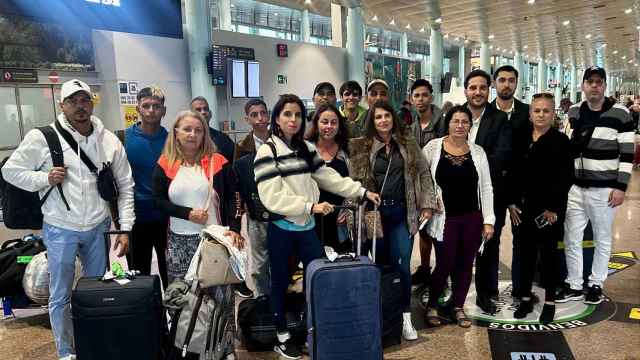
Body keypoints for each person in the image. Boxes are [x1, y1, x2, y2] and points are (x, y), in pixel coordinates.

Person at [2, 79, 135, 360]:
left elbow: (125, 187)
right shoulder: (43, 137)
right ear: (62, 105)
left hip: (98, 227)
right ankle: (66, 351)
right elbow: (11, 170)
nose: (80, 106)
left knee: (96, 290)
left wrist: (125, 228)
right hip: (60, 228)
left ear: (92, 103)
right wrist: (43, 178)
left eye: (84, 100)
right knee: (60, 295)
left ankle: (93, 342)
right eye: (73, 101)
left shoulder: (108, 140)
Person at [254, 94, 380, 359]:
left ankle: (315, 328)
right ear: (277, 118)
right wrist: (309, 206)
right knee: (279, 282)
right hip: (282, 229)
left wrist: (361, 191)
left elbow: (328, 177)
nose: (293, 120)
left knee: (319, 280)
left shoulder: (304, 148)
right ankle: (281, 335)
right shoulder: (268, 151)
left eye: (298, 115)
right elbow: (272, 197)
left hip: (306, 229)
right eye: (287, 114)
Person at [349, 100, 435, 341]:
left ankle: (406, 316)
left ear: (393, 118)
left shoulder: (407, 143)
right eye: (378, 117)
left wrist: (427, 204)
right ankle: (382, 313)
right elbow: (353, 183)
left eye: (387, 115)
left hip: (401, 214)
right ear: (372, 121)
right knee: (378, 264)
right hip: (373, 217)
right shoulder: (360, 147)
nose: (383, 120)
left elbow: (424, 173)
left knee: (402, 264)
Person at [556, 66, 635, 306]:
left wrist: (620, 187)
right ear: (583, 85)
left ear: (604, 86)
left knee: (602, 238)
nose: (594, 86)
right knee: (572, 238)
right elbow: (567, 146)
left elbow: (627, 155)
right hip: (576, 188)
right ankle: (575, 283)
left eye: (599, 82)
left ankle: (596, 284)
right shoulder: (574, 111)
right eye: (590, 81)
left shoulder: (620, 114)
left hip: (604, 190)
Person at [422, 105, 495, 328]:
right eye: (456, 121)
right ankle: (433, 304)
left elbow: (486, 187)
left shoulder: (478, 152)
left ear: (470, 126)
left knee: (465, 265)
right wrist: (430, 199)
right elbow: (423, 180)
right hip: (444, 219)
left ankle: (458, 307)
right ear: (449, 123)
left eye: (465, 121)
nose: (460, 125)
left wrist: (488, 220)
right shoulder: (433, 148)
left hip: (472, 217)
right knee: (444, 263)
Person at [152, 110, 243, 283]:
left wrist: (235, 228)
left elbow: (235, 196)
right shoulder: (165, 163)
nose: (192, 134)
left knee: (218, 295)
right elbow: (158, 201)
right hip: (178, 242)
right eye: (187, 129)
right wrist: (187, 213)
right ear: (176, 132)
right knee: (183, 298)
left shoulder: (218, 162)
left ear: (204, 134)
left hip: (214, 239)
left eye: (198, 130)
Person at [508, 93, 573, 323]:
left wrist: (553, 209)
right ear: (530, 113)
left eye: (546, 110)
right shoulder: (521, 137)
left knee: (548, 257)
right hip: (522, 210)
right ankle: (525, 298)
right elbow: (512, 172)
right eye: (537, 110)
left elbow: (565, 178)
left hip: (549, 212)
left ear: (553, 113)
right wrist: (512, 202)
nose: (541, 115)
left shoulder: (561, 141)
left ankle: (550, 301)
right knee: (524, 255)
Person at [463, 69, 512, 315]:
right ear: (466, 90)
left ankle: (486, 294)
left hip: (491, 194)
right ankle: (456, 293)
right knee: (458, 244)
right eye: (473, 87)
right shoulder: (455, 116)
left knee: (489, 247)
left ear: (488, 90)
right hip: (459, 196)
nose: (478, 92)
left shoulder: (500, 119)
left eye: (482, 87)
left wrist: (467, 167)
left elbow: (501, 157)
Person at [490, 64, 531, 301]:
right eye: (502, 80)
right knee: (491, 239)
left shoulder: (527, 112)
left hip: (520, 189)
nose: (506, 84)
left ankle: (520, 289)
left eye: (511, 80)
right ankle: (490, 289)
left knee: (521, 242)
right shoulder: (486, 113)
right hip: (493, 189)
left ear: (516, 83)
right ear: (495, 83)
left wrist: (516, 196)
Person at [122, 85, 169, 287]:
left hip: (167, 218)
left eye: (156, 106)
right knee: (139, 275)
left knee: (172, 272)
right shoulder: (123, 139)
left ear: (163, 111)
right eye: (146, 106)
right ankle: (145, 316)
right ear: (138, 109)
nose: (151, 110)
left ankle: (176, 316)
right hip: (136, 218)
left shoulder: (172, 140)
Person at [408, 79, 445, 288]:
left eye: (424, 95)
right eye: (416, 96)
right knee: (423, 229)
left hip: (441, 186)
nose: (420, 99)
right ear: (412, 99)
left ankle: (442, 271)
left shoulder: (443, 121)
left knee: (439, 231)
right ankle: (424, 268)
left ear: (430, 96)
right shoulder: (412, 125)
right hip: (419, 187)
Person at [233, 98, 271, 299]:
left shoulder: (281, 141)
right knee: (259, 263)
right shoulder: (242, 147)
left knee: (283, 259)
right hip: (256, 213)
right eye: (254, 115)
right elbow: (237, 182)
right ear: (247, 118)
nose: (260, 119)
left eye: (263, 113)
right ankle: (262, 299)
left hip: (282, 212)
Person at [306, 103, 352, 253]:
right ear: (316, 123)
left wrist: (348, 208)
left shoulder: (347, 151)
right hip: (311, 217)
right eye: (324, 122)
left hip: (339, 218)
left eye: (334, 122)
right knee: (314, 265)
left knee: (341, 264)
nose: (329, 126)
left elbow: (356, 182)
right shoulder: (304, 150)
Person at [190, 96, 236, 162]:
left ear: (210, 114)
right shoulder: (186, 139)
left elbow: (233, 162)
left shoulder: (222, 138)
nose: (203, 112)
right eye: (198, 110)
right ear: (190, 115)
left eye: (205, 109)